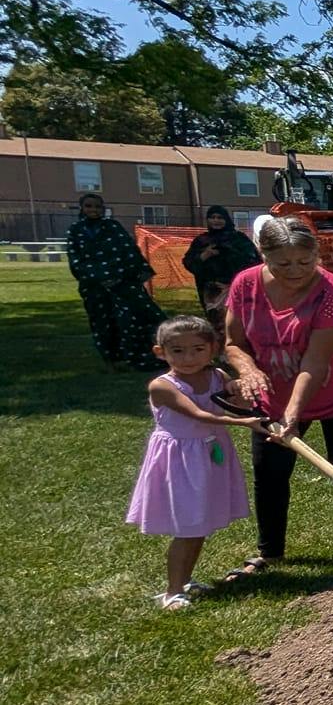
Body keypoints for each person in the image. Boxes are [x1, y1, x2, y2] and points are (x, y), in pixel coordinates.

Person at [222, 215, 333, 576]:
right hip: (274, 395)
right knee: (270, 472)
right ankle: (270, 551)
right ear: (263, 255)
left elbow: (315, 363)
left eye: (304, 262)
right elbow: (233, 344)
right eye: (282, 263)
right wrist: (248, 371)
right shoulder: (245, 285)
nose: (295, 270)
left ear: (318, 255)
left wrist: (292, 415)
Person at [125, 316, 259, 609]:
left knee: (198, 525)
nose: (188, 358)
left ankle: (185, 581)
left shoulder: (217, 376)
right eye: (178, 351)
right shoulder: (162, 386)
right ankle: (172, 591)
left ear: (213, 348)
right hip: (180, 459)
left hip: (208, 455)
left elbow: (235, 403)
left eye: (197, 349)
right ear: (161, 352)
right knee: (187, 527)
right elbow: (198, 414)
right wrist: (245, 422)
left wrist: (241, 393)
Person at [67, 194, 167, 369]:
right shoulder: (76, 230)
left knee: (138, 317)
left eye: (97, 206)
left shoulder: (113, 227)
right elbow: (76, 259)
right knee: (102, 322)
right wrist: (98, 278)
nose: (93, 210)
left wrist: (120, 276)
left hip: (123, 282)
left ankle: (150, 356)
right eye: (89, 206)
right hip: (95, 287)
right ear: (82, 208)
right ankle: (112, 359)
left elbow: (128, 251)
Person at [181, 206, 261, 322]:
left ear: (226, 219)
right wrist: (204, 255)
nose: (216, 220)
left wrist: (230, 254)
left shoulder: (239, 239)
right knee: (218, 322)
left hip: (238, 286)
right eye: (212, 217)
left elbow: (254, 262)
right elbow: (189, 263)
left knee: (242, 320)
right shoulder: (201, 241)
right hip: (213, 290)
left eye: (220, 217)